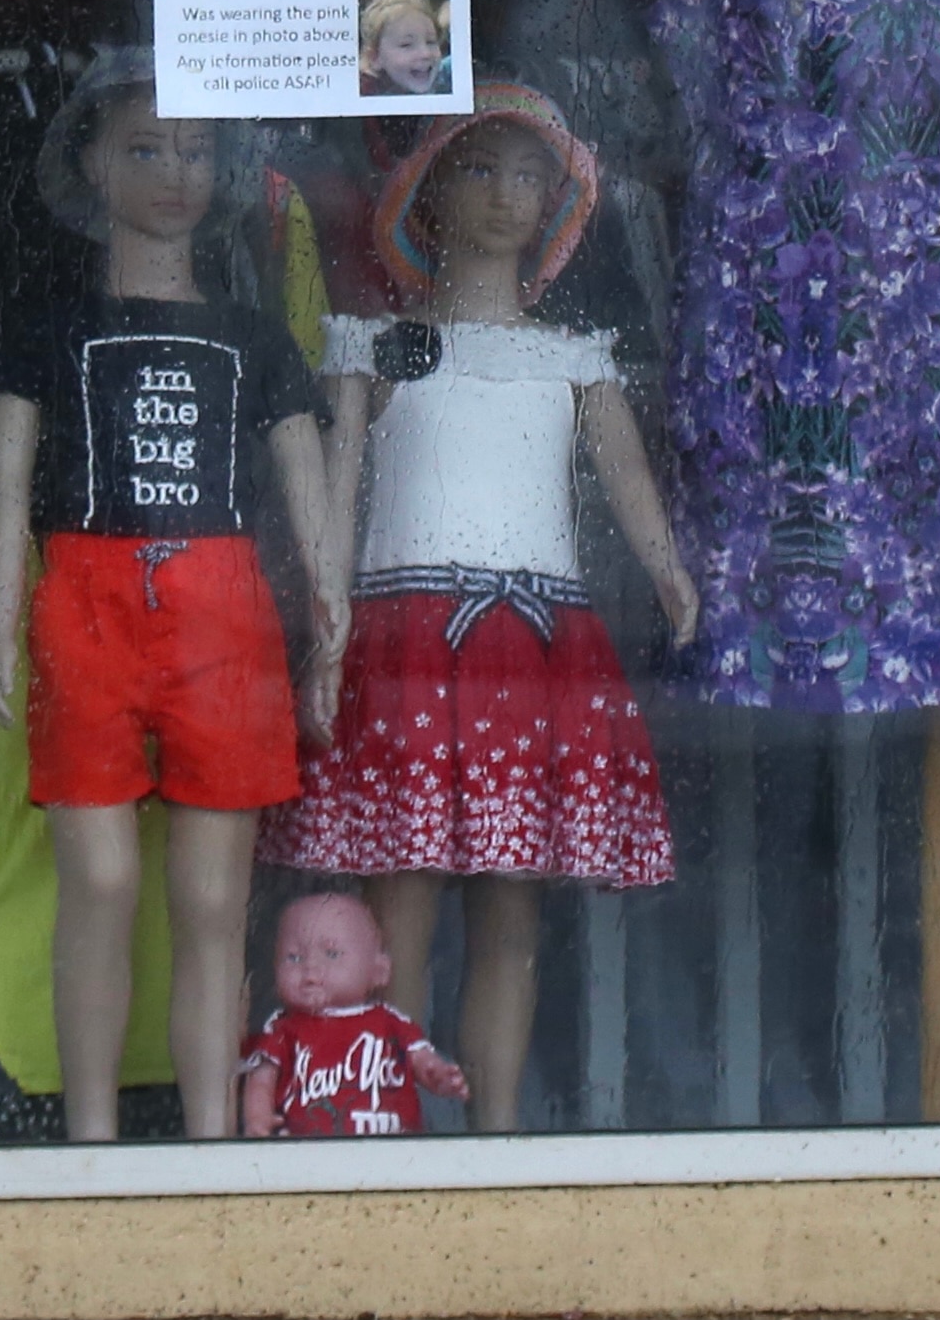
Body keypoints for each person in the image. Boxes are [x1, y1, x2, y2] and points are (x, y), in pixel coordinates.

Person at [265, 82, 696, 1130]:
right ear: (427, 189)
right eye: (481, 168)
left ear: (557, 200)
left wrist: (668, 569)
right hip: (406, 641)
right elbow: (334, 486)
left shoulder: (574, 356)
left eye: (528, 175)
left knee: (513, 911)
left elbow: (628, 480)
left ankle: (495, 1131)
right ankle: (389, 1124)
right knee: (396, 899)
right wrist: (325, 623)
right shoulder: (370, 344)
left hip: (535, 645)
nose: (507, 194)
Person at [0, 51, 338, 1139]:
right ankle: (90, 1143)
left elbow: (305, 488)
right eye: (144, 146)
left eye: (192, 147)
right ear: (90, 162)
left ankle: (210, 1140)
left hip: (223, 609)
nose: (174, 172)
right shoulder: (46, 329)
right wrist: (1, 623)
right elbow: (3, 488)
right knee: (96, 885)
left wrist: (330, 614)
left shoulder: (256, 336)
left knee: (216, 899)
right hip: (83, 596)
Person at [238, 892, 466, 1136]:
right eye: (293, 957)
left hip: (393, 1148)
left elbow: (422, 1061)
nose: (310, 968)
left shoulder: (391, 1021)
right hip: (305, 1152)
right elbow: (261, 1079)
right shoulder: (283, 1028)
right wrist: (257, 1120)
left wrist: (438, 1076)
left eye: (332, 954)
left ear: (379, 970)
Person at [358, 0, 451, 96]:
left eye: (431, 42)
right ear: (374, 57)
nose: (426, 54)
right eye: (406, 45)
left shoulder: (447, 78)